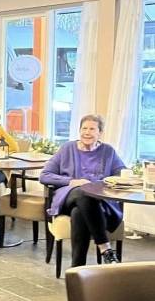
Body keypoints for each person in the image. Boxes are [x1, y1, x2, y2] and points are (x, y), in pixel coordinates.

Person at [40, 114, 125, 267]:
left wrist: (103, 184)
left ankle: (77, 270)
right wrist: (72, 182)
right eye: (84, 128)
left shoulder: (108, 151)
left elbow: (122, 175)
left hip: (99, 203)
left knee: (79, 213)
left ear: (100, 133)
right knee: (84, 192)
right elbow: (45, 175)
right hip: (68, 197)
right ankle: (105, 248)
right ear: (79, 130)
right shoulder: (67, 148)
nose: (87, 132)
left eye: (92, 129)